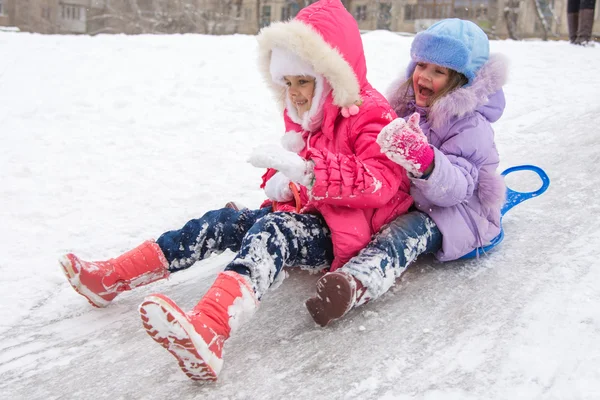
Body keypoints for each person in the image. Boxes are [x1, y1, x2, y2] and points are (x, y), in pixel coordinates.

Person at [59, 0, 412, 382]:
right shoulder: (309, 115)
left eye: (303, 81)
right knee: (221, 221)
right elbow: (295, 172)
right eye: (287, 83)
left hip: (348, 231)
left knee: (271, 233)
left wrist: (308, 174)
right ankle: (113, 277)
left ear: (330, 74)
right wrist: (283, 180)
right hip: (309, 211)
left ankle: (211, 327)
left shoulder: (371, 113)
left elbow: (380, 181)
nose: (293, 93)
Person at [304, 19, 509, 327]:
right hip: (409, 198)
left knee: (407, 232)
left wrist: (423, 159)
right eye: (421, 64)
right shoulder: (403, 108)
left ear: (460, 81)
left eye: (438, 71)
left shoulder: (470, 125)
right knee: (358, 210)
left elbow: (455, 191)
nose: (423, 76)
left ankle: (357, 282)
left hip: (456, 212)